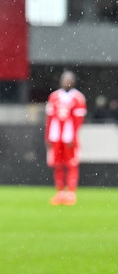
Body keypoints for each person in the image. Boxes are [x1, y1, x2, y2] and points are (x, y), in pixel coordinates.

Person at [45, 70, 87, 205]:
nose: (67, 82)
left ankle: (71, 193)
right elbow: (49, 118)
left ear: (73, 82)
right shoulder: (54, 96)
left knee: (72, 164)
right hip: (56, 136)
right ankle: (60, 193)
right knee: (57, 164)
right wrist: (47, 137)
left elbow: (79, 120)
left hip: (69, 137)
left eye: (69, 80)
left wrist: (73, 136)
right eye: (65, 79)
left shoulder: (78, 98)